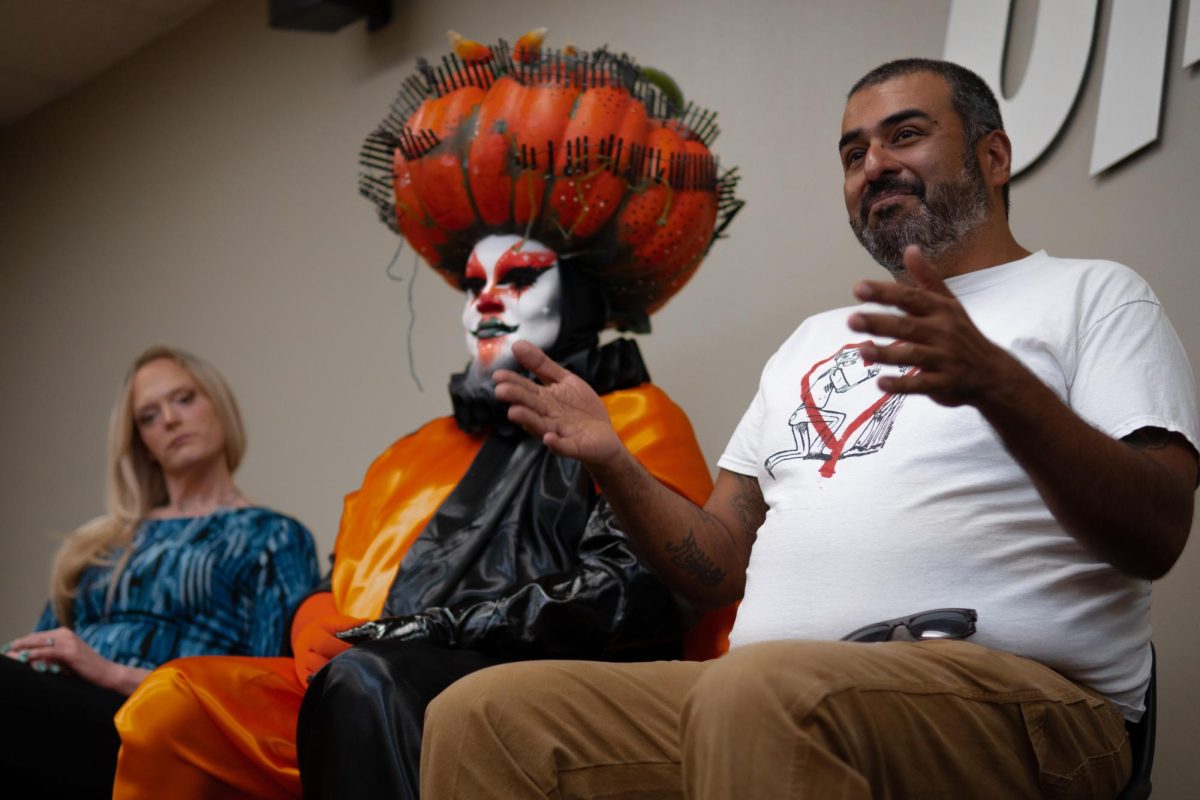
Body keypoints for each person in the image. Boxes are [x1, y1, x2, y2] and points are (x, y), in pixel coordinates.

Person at [418, 58, 1200, 799]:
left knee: (764, 690)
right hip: (772, 695)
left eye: (904, 135)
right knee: (484, 715)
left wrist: (998, 386)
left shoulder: (1093, 297)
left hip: (1029, 707)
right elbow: (717, 565)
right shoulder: (814, 340)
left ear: (994, 157)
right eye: (852, 152)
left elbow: (1157, 531)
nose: (873, 164)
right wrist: (614, 464)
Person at [111, 31, 741, 800]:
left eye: (518, 278)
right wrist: (316, 619)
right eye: (473, 283)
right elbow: (344, 588)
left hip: (530, 694)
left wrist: (432, 634)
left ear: (579, 299)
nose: (486, 301)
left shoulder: (637, 417)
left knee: (370, 685)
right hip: (365, 680)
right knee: (177, 706)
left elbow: (642, 593)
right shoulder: (410, 456)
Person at [0, 345, 319, 798]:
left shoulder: (272, 536)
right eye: (148, 417)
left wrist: (109, 672)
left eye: (183, 399)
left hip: (150, 726)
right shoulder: (101, 541)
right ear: (142, 444)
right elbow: (42, 647)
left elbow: (260, 694)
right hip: (53, 708)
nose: (169, 420)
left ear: (218, 406)